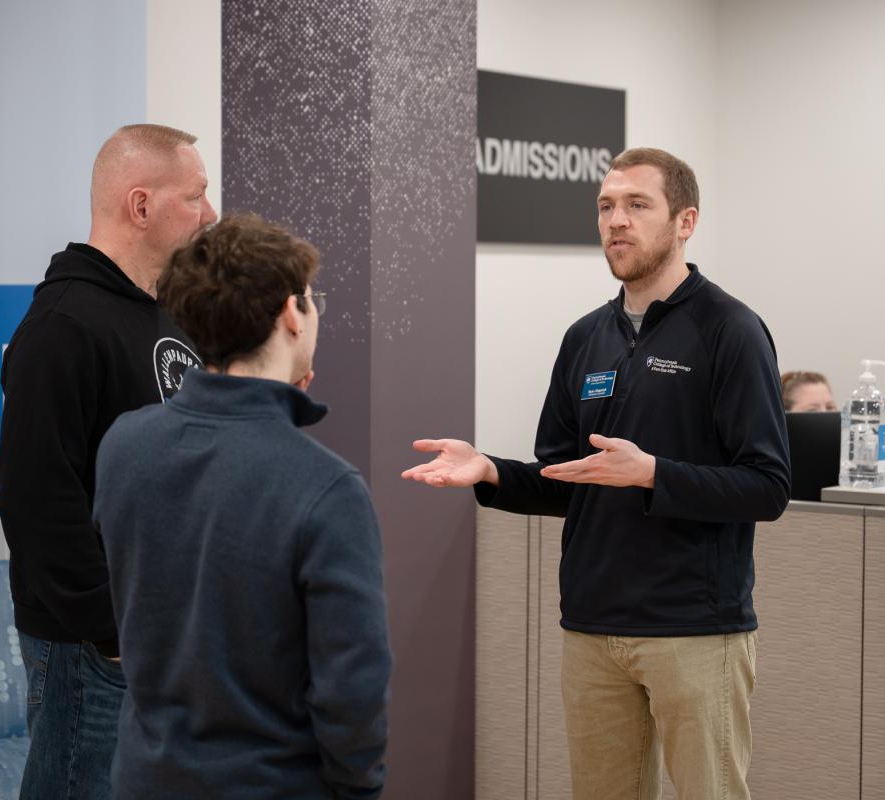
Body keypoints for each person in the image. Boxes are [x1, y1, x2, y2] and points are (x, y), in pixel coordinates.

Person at [403, 148, 790, 800]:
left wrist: (653, 474)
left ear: (685, 220)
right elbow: (566, 479)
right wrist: (490, 470)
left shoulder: (732, 330)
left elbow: (767, 486)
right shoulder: (585, 337)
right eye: (607, 207)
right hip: (591, 625)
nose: (617, 221)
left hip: (692, 628)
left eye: (638, 205)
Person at [92, 214, 391, 799]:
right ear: (289, 314)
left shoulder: (124, 446)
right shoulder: (326, 488)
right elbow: (352, 695)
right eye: (313, 299)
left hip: (143, 780)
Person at [0, 123, 217, 799]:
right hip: (93, 651)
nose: (209, 215)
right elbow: (39, 507)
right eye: (196, 196)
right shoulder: (63, 326)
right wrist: (115, 633)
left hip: (161, 638)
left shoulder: (165, 312)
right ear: (141, 206)